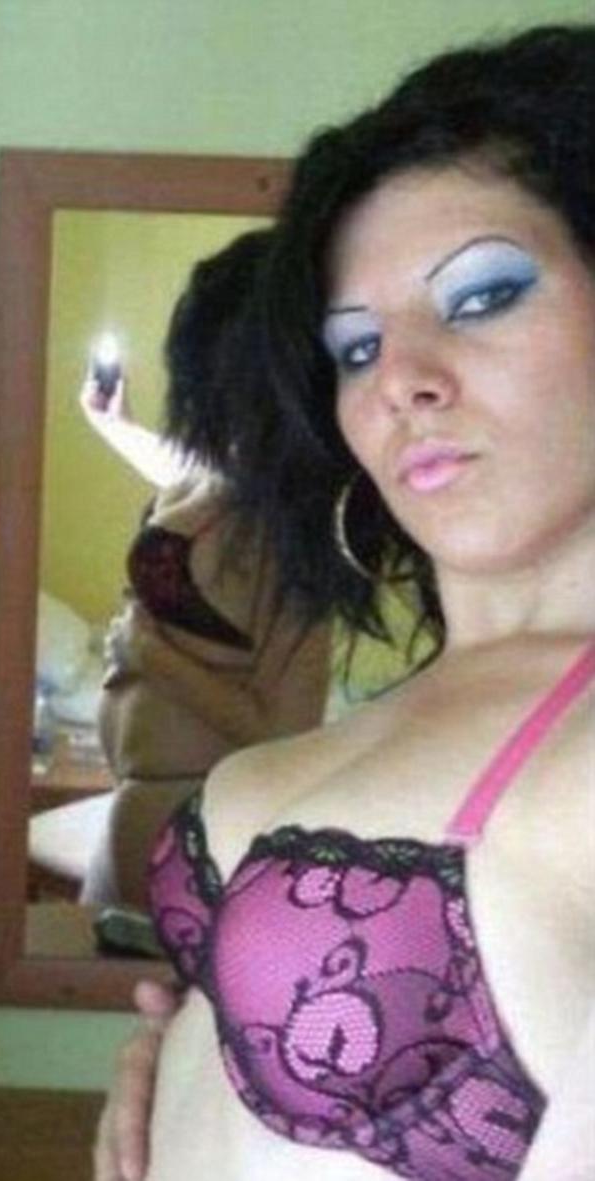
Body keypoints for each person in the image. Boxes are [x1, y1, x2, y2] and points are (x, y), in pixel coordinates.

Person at [95, 23, 595, 1180]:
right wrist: (185, 1063)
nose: (401, 378)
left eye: (481, 295)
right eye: (355, 349)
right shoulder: (413, 698)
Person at [77, 230, 331, 908]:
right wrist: (117, 428)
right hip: (143, 809)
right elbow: (202, 485)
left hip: (192, 823)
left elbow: (287, 734)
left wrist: (152, 657)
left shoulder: (292, 525)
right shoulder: (223, 482)